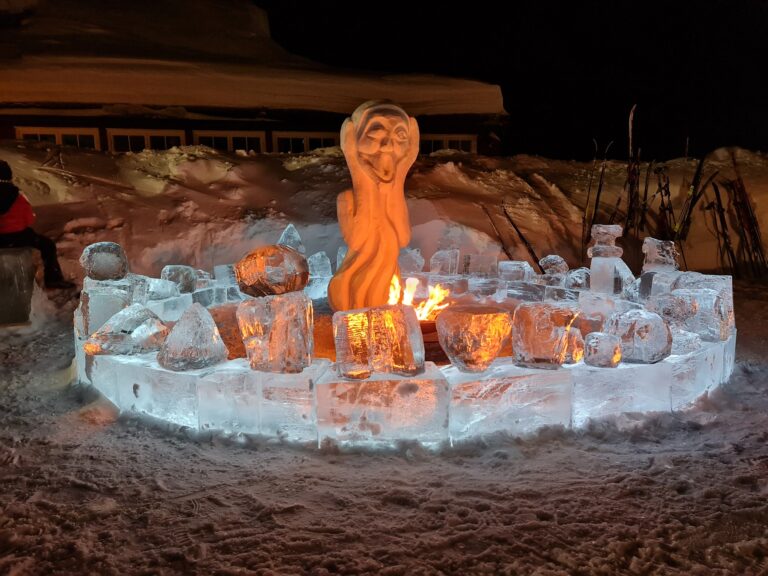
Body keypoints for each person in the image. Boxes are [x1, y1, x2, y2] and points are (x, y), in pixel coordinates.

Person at [0, 159, 75, 289]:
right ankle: (53, 279)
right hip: (18, 238)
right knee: (47, 245)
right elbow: (28, 219)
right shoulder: (17, 197)